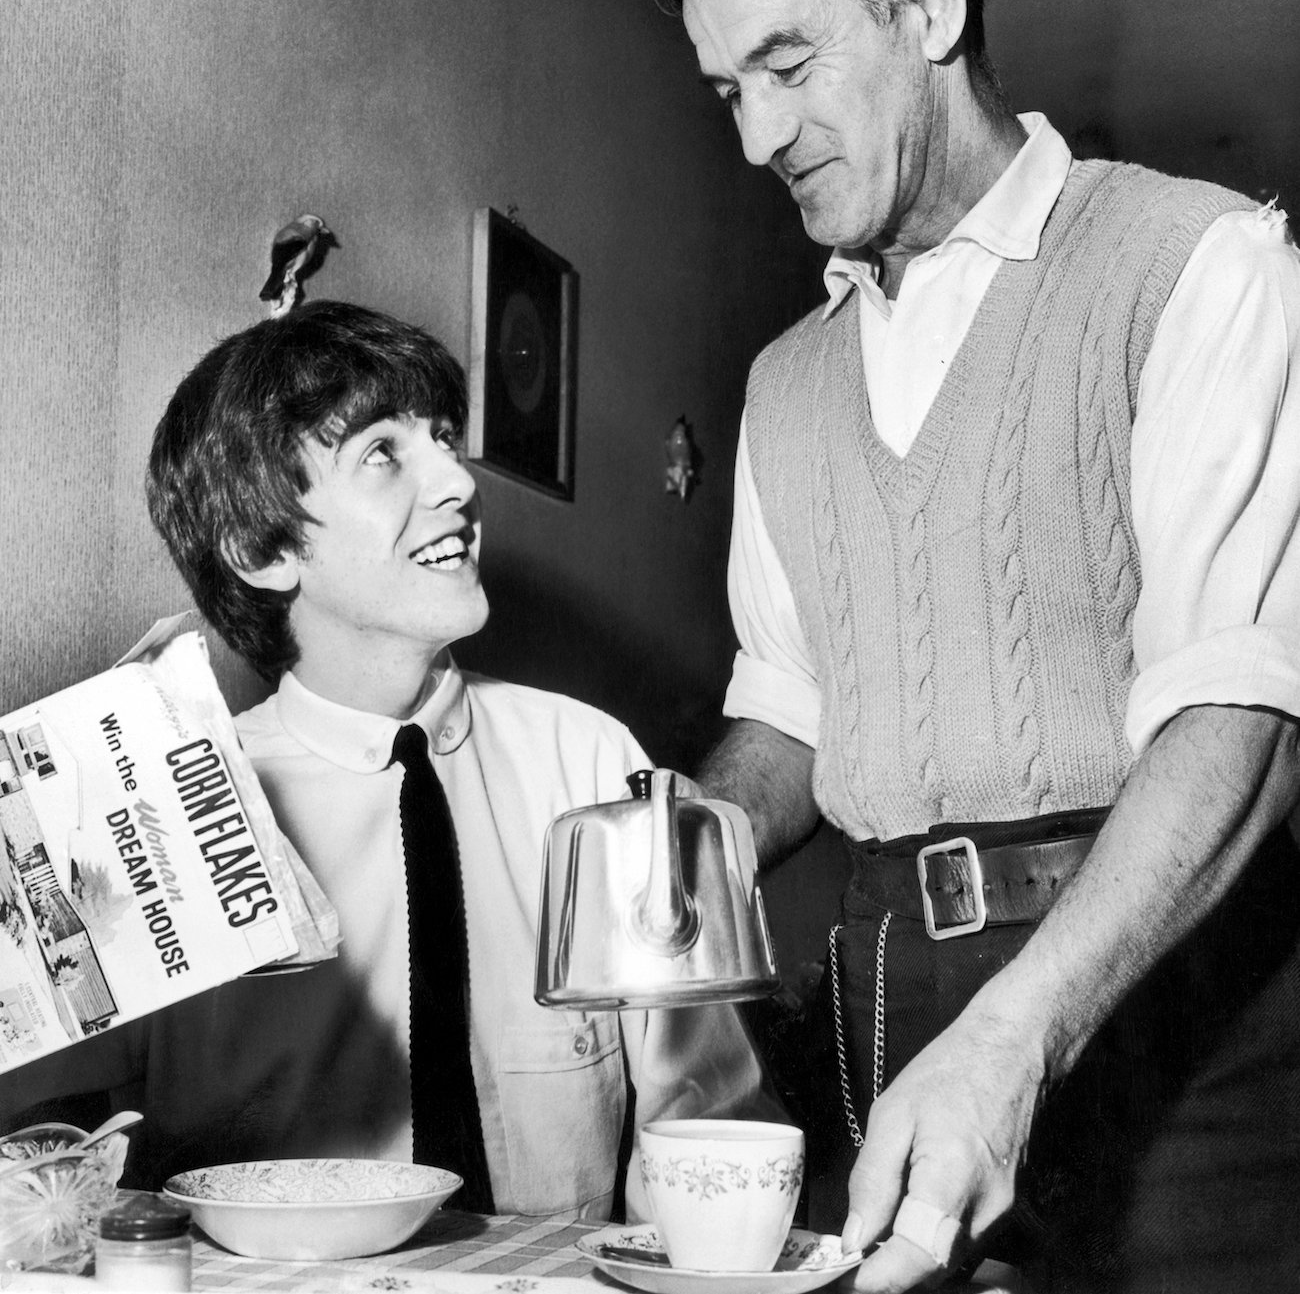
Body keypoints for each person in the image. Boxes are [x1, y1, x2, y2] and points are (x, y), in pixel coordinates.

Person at [645, 0, 1300, 1293]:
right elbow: (792, 714)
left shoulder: (1199, 262)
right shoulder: (781, 382)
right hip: (887, 988)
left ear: (927, 4)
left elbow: (1240, 714)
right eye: (724, 89)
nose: (753, 135)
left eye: (787, 63)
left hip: (1176, 995)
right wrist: (664, 887)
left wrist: (1016, 1034)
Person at [2, 298, 772, 1219]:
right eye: (383, 452)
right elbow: (50, 1165)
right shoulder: (143, 815)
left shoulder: (596, 765)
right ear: (263, 546)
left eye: (445, 437)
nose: (456, 479)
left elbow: (701, 1127)